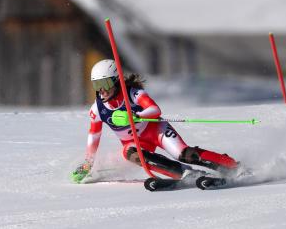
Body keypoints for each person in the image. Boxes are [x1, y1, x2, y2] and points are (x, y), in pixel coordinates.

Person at [71, 59, 240, 183]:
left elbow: (155, 110)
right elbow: (94, 135)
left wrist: (136, 116)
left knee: (183, 154)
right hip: (135, 142)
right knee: (129, 153)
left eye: (105, 83)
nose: (102, 90)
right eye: (96, 85)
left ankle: (232, 166)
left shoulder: (133, 94)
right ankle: (183, 173)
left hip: (155, 130)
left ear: (116, 81)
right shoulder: (97, 109)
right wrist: (88, 162)